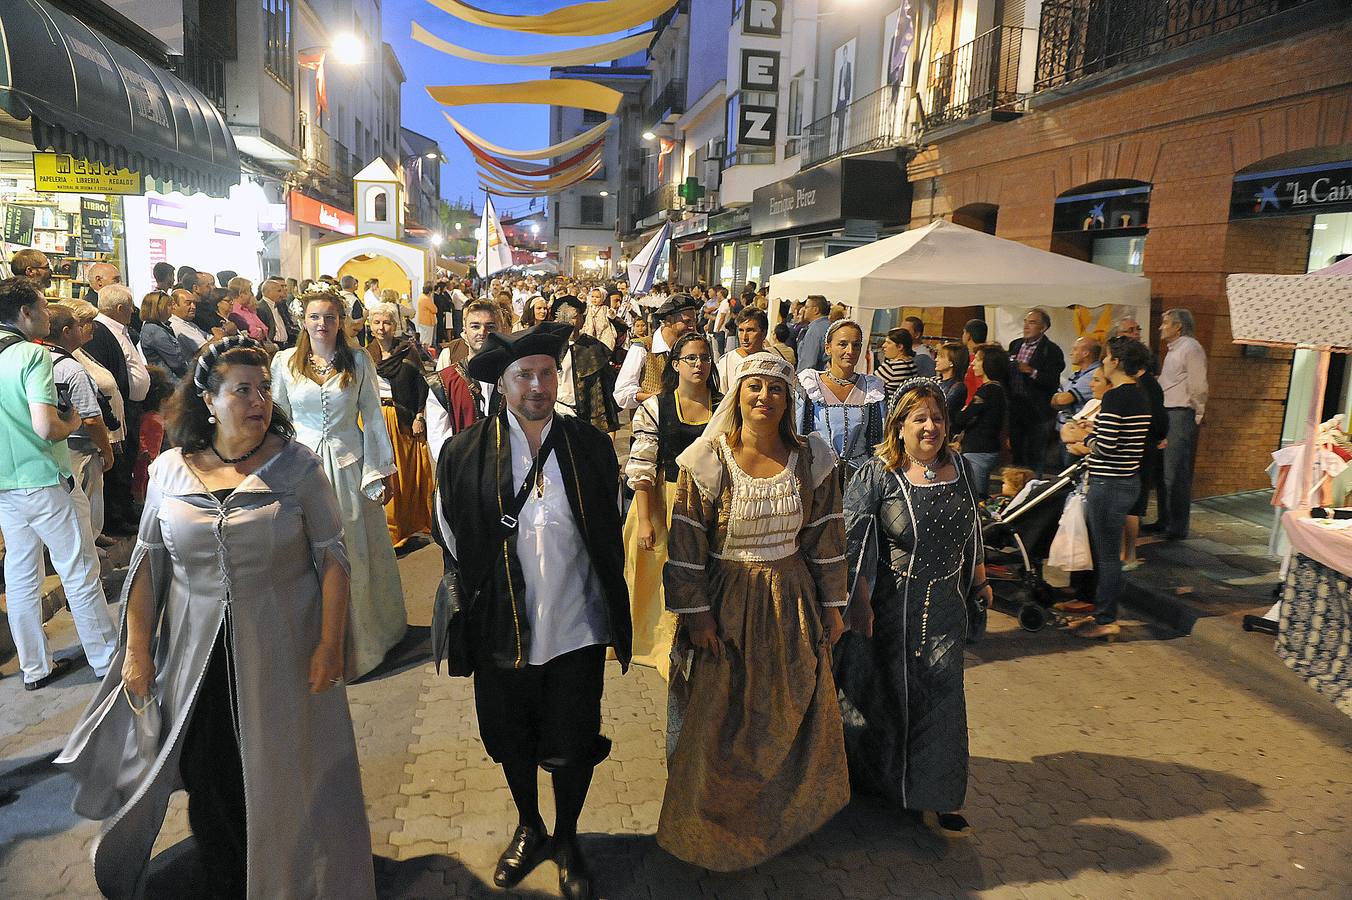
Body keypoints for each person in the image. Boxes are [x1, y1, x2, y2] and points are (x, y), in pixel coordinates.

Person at [58, 335, 376, 900]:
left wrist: (331, 645)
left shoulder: (296, 465)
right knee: (210, 774)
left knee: (280, 770)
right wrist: (136, 651)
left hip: (283, 647)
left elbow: (332, 557)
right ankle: (230, 877)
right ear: (208, 399)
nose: (257, 402)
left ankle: (295, 876)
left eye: (263, 390)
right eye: (242, 390)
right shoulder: (171, 471)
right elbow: (147, 565)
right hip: (193, 656)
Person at [433, 323, 631, 900]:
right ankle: (529, 825)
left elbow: (610, 521)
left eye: (548, 373)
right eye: (525, 376)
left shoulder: (588, 444)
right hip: (501, 623)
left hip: (577, 622)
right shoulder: (463, 452)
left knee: (573, 738)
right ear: (504, 383)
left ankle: (567, 836)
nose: (538, 386)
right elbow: (451, 534)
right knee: (509, 735)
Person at [658, 351, 848, 871]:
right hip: (727, 603)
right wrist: (697, 615)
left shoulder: (812, 459)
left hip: (790, 603)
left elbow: (826, 536)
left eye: (776, 389)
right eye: (754, 386)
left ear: (789, 401)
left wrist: (833, 605)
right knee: (722, 721)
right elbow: (686, 544)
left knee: (784, 714)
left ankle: (778, 822)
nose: (764, 397)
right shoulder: (708, 460)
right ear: (737, 393)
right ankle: (711, 830)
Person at [835, 377, 991, 833]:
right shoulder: (878, 473)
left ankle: (938, 795)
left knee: (942, 696)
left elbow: (972, 529)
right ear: (898, 425)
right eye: (919, 418)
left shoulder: (960, 468)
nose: (930, 427)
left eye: (937, 417)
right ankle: (881, 783)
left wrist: (980, 581)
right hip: (890, 605)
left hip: (946, 604)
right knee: (889, 695)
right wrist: (859, 602)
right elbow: (856, 542)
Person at [272, 288, 407, 677]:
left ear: (341, 321)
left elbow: (373, 416)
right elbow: (278, 418)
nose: (322, 324)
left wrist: (382, 469)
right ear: (303, 320)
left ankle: (363, 641)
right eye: (315, 317)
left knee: (352, 550)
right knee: (304, 554)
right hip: (301, 469)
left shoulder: (359, 360)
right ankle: (311, 644)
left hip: (349, 468)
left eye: (330, 317)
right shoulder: (284, 362)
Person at [0, 278, 118, 690]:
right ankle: (106, 659)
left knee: (21, 577)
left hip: (6, 487)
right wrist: (70, 421)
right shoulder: (32, 356)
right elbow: (47, 426)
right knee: (78, 569)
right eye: (42, 307)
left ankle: (35, 667)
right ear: (25, 313)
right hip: (46, 480)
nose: (49, 315)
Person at [624, 332, 719, 678]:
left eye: (705, 358)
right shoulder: (657, 406)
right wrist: (646, 519)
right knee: (660, 573)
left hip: (710, 502)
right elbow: (643, 464)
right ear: (676, 365)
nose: (699, 364)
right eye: (691, 358)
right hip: (665, 500)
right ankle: (658, 644)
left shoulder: (723, 405)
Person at [1060, 337, 1154, 641]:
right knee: (1108, 554)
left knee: (1107, 557)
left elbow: (1106, 446)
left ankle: (1105, 619)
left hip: (1109, 482)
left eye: (1107, 357)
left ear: (1115, 362)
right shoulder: (1140, 395)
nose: (1104, 362)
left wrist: (1084, 439)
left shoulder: (1116, 398)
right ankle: (1102, 613)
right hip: (1127, 480)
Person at [367, 301, 435, 548]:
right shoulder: (365, 354)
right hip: (373, 418)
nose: (382, 327)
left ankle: (404, 527)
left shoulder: (408, 352)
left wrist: (419, 415)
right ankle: (386, 532)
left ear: (395, 325)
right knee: (380, 473)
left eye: (386, 322)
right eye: (377, 322)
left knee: (403, 474)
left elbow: (421, 385)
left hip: (401, 419)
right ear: (370, 325)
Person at [45, 304, 115, 542]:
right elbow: (92, 419)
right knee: (84, 504)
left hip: (52, 446)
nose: (86, 329)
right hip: (81, 447)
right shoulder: (72, 368)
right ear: (66, 331)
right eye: (78, 325)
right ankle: (88, 546)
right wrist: (106, 450)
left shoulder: (39, 360)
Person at [89, 284, 150, 535]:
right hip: (119, 407)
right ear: (120, 308)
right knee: (119, 462)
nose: (134, 311)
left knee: (129, 457)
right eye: (131, 307)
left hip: (131, 406)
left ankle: (125, 508)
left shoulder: (121, 329)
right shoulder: (102, 331)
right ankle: (117, 515)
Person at [797, 319, 888, 481]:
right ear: (828, 348)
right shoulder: (809, 385)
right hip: (818, 476)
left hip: (860, 478)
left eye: (856, 345)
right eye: (842, 344)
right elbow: (799, 435)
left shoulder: (872, 389)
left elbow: (879, 439)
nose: (850, 351)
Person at [1148, 308, 1208, 541]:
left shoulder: (1191, 349)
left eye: (1165, 323)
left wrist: (1197, 414)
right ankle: (1165, 519)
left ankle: (1177, 525)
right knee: (1164, 471)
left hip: (1180, 413)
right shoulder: (1175, 350)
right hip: (1169, 411)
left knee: (1175, 472)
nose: (1161, 327)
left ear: (1178, 326)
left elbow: (1198, 385)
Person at [425, 299, 504, 465]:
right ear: (465, 331)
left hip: (506, 475)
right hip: (461, 473)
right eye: (475, 326)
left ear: (500, 330)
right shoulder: (442, 382)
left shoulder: (514, 378)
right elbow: (439, 443)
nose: (482, 332)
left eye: (490, 327)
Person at [614, 294, 700, 410]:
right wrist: (657, 399)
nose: (692, 327)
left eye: (694, 321)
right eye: (687, 321)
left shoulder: (692, 348)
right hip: (649, 423)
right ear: (669, 320)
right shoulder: (642, 347)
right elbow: (622, 393)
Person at [1006, 308, 1065, 472]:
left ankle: (1033, 490)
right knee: (1017, 455)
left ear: (1043, 327)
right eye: (1025, 321)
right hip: (1016, 409)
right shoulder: (1015, 345)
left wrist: (1032, 371)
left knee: (1035, 456)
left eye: (1032, 322)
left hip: (1038, 413)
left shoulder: (1052, 351)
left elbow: (1052, 381)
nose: (1026, 326)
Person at [551, 295, 619, 434]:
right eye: (566, 316)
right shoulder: (550, 346)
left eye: (575, 316)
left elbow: (603, 391)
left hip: (583, 415)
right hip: (554, 411)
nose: (571, 321)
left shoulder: (593, 348)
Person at [953, 344, 1010, 498]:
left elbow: (962, 418)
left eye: (977, 360)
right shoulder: (995, 389)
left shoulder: (989, 391)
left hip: (979, 450)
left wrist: (961, 413)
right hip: (981, 448)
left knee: (975, 496)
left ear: (988, 364)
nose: (972, 363)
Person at [1051, 336, 1103, 428]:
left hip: (1078, 430)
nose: (1071, 353)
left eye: (1075, 349)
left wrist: (1059, 398)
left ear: (1085, 353)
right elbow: (1058, 398)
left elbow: (1062, 400)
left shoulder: (1095, 374)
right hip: (1064, 428)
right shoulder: (1077, 374)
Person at [136, 290, 188, 379]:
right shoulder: (155, 331)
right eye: (169, 305)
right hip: (172, 383)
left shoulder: (156, 327)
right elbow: (176, 363)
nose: (173, 308)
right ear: (158, 308)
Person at [877, 327, 919, 399]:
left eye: (888, 343)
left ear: (900, 347)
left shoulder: (891, 367)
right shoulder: (912, 365)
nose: (884, 345)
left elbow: (868, 386)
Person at [794, 295, 832, 373]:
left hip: (812, 379)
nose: (804, 310)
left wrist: (799, 380)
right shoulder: (830, 326)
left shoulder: (815, 330)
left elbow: (807, 364)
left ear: (816, 310)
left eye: (807, 307)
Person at [168, 288, 210, 357]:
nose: (193, 307)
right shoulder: (178, 326)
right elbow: (206, 350)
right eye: (188, 303)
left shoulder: (189, 323)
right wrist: (222, 334)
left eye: (194, 303)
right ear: (174, 305)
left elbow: (210, 338)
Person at [936, 341, 970, 422]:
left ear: (952, 362)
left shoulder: (958, 387)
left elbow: (942, 409)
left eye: (941, 357)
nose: (936, 359)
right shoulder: (935, 380)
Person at [961, 319, 988, 407]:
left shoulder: (978, 360)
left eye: (964, 332)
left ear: (969, 335)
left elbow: (980, 386)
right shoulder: (970, 356)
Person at [415, 282, 438, 347]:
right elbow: (435, 310)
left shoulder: (421, 297)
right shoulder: (426, 299)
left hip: (422, 321)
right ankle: (426, 354)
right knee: (427, 340)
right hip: (427, 322)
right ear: (430, 292)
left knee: (423, 338)